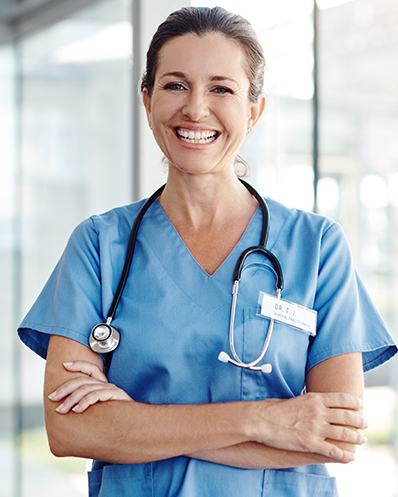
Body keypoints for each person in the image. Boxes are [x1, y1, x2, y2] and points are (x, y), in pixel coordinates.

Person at [18, 6, 397, 497]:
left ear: (254, 109)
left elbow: (335, 438)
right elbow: (69, 429)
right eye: (175, 85)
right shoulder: (98, 245)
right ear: (147, 99)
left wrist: (134, 424)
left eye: (222, 88)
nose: (196, 109)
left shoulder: (317, 246)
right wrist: (267, 419)